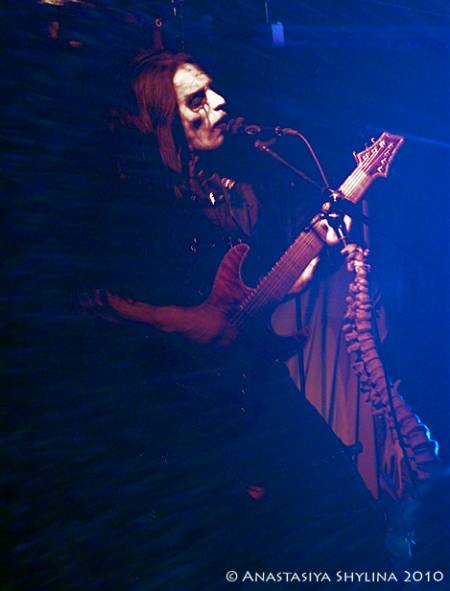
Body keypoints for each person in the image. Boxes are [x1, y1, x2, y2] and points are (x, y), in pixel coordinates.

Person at [75, 49, 389, 589]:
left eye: (213, 91)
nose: (219, 102)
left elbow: (243, 300)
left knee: (346, 516)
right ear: (160, 119)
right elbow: (87, 296)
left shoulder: (231, 193)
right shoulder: (126, 201)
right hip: (172, 408)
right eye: (196, 100)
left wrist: (309, 269)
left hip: (249, 383)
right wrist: (178, 320)